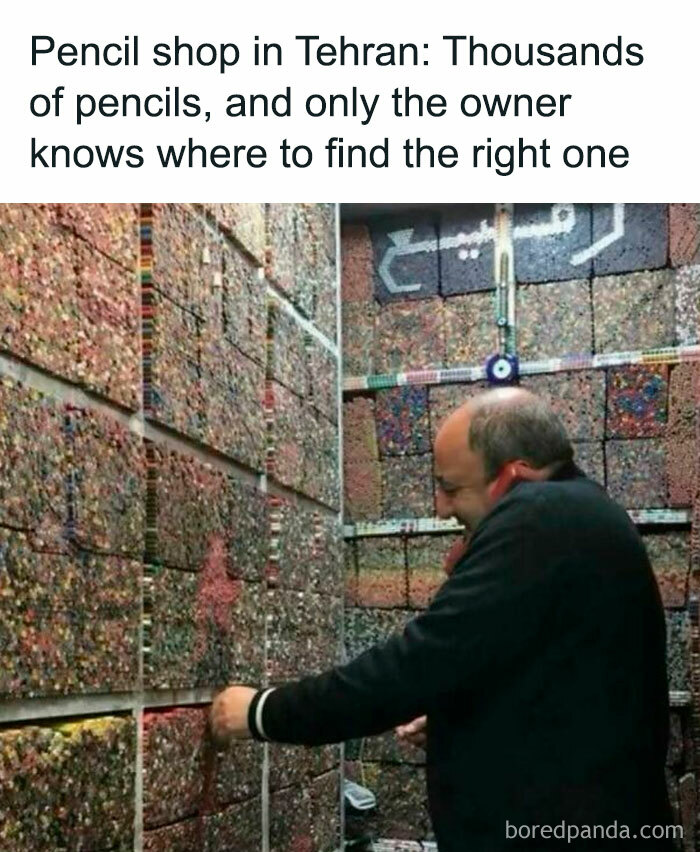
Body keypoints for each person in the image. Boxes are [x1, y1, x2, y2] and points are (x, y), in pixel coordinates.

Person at [211, 387, 674, 850]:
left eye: (452, 488)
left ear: (515, 476)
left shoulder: (540, 515)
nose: (442, 508)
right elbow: (567, 689)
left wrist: (261, 712)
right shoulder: (581, 514)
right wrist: (470, 718)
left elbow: (413, 667)